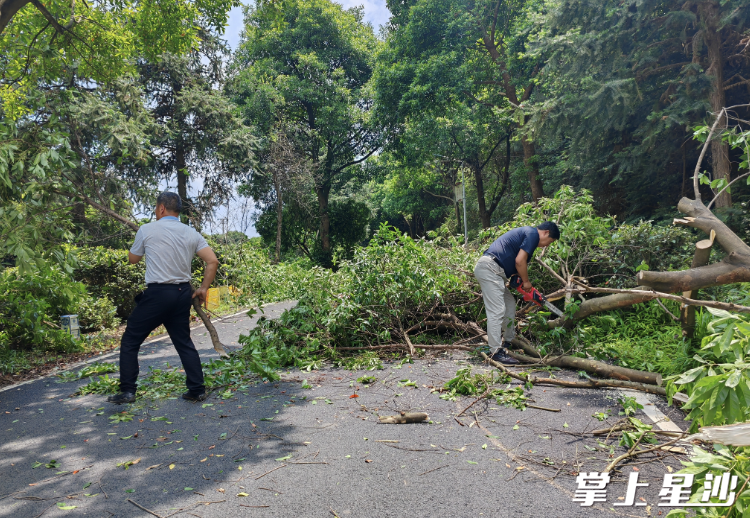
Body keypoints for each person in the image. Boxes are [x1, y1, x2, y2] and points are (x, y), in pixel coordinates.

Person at [107, 192, 219, 404]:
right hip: (182, 294)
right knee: (183, 341)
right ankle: (197, 389)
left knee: (131, 340)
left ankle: (128, 391)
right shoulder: (191, 232)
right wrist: (203, 288)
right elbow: (212, 261)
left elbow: (133, 259)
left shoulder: (147, 229)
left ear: (160, 209)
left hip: (158, 294)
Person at [474, 221, 560, 364]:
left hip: (497, 272)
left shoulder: (526, 236)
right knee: (496, 310)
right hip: (490, 268)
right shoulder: (532, 234)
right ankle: (495, 351)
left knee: (509, 304)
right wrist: (526, 283)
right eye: (549, 242)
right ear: (545, 232)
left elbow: (515, 267)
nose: (546, 246)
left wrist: (520, 283)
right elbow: (520, 262)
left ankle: (508, 340)